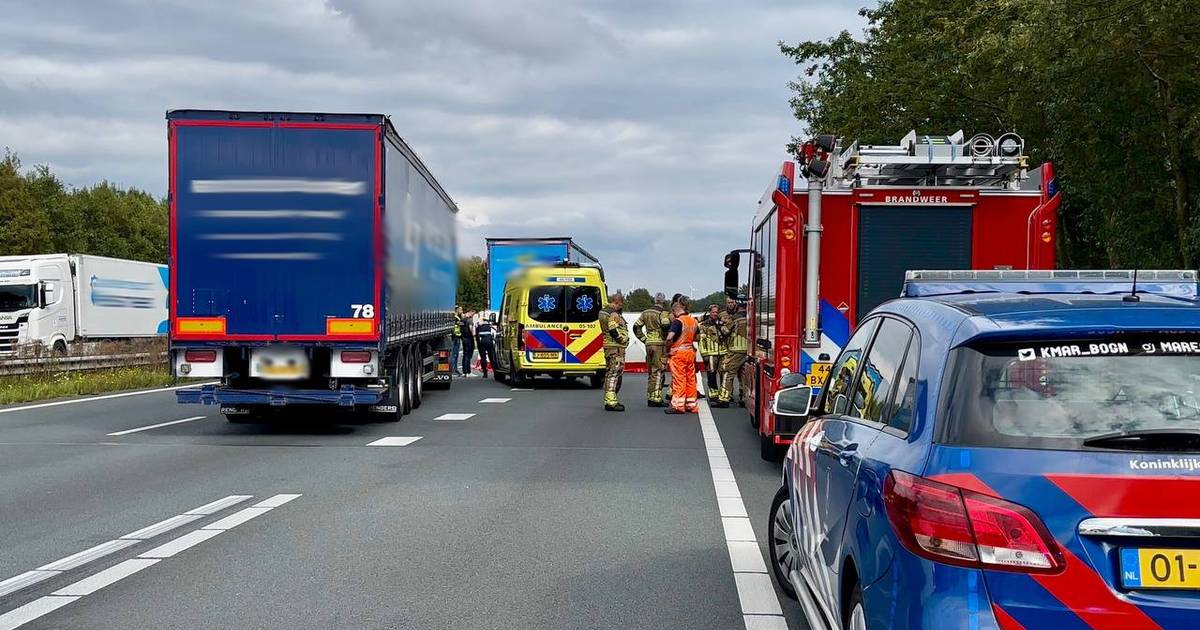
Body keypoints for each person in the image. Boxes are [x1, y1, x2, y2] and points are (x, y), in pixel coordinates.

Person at [632, 293, 669, 407]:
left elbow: (636, 326)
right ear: (663, 301)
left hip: (649, 344)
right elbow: (665, 326)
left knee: (651, 370)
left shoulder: (646, 312)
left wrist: (644, 339)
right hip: (659, 344)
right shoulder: (663, 313)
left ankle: (650, 395)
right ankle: (656, 398)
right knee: (658, 370)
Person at [664, 297, 699, 414]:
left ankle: (678, 406)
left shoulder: (678, 321)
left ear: (674, 311)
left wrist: (667, 349)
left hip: (678, 354)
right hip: (690, 353)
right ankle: (691, 404)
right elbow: (697, 336)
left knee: (679, 379)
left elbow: (670, 337)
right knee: (690, 379)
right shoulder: (692, 321)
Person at [597, 292, 629, 412]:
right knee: (615, 373)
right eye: (621, 304)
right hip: (616, 348)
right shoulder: (613, 314)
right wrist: (621, 339)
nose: (622, 306)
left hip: (608, 347)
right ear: (617, 302)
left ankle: (609, 398)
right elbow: (612, 328)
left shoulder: (603, 312)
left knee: (609, 372)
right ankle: (611, 401)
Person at [714, 298, 749, 408]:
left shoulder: (734, 318)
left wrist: (720, 325)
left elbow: (725, 332)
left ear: (737, 305)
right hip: (748, 350)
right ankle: (744, 397)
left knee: (727, 372)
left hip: (735, 349)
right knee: (743, 375)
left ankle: (724, 399)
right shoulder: (752, 318)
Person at [698, 303, 726, 393]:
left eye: (717, 312)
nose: (715, 314)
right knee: (711, 374)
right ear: (709, 312)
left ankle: (723, 394)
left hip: (723, 353)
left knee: (724, 374)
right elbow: (702, 341)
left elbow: (727, 335)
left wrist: (721, 325)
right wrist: (704, 354)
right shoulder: (703, 325)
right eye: (713, 312)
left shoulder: (722, 323)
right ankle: (713, 394)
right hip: (710, 354)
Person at [476, 312, 498, 378]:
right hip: (489, 341)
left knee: (483, 357)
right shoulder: (489, 323)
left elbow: (476, 334)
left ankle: (485, 373)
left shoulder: (478, 324)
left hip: (481, 341)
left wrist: (478, 343)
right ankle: (495, 372)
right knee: (491, 357)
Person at [460, 309, 477, 376]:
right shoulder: (469, 320)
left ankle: (464, 372)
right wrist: (474, 335)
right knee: (468, 355)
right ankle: (468, 372)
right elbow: (470, 328)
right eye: (473, 313)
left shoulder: (462, 320)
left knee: (465, 355)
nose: (473, 315)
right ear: (470, 312)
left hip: (463, 338)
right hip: (469, 339)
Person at [450, 305, 464, 376]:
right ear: (457, 310)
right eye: (460, 310)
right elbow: (461, 324)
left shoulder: (457, 317)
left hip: (457, 337)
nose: (462, 311)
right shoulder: (455, 318)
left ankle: (455, 369)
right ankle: (453, 370)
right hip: (455, 337)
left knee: (456, 354)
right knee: (454, 355)